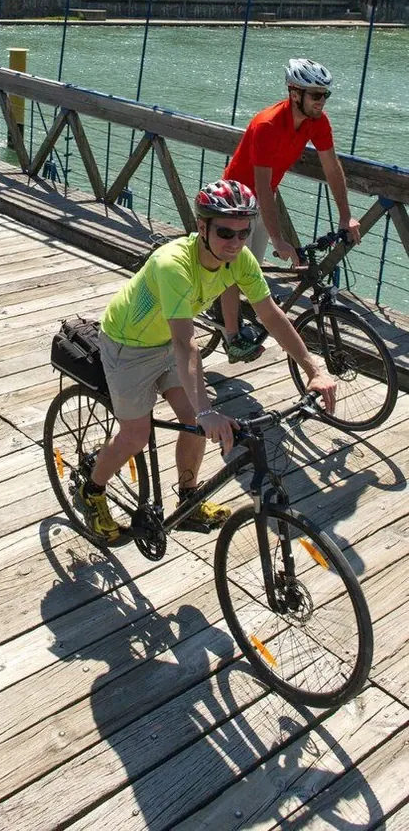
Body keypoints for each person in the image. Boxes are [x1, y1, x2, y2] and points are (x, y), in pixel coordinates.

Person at [74, 178, 337, 542]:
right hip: (127, 345)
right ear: (202, 227)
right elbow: (187, 344)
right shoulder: (173, 265)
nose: (236, 243)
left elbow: (272, 315)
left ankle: (187, 502)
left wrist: (314, 368)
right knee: (136, 434)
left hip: (166, 341)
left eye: (244, 234)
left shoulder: (239, 259)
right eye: (226, 232)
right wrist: (206, 410)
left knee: (193, 422)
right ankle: (92, 491)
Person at [219, 58, 362, 361]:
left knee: (251, 269)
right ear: (294, 93)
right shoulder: (268, 124)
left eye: (325, 95)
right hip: (234, 199)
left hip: (262, 196)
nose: (322, 101)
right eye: (316, 95)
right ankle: (230, 336)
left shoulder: (317, 122)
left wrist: (345, 213)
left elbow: (332, 168)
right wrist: (279, 239)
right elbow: (261, 186)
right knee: (234, 270)